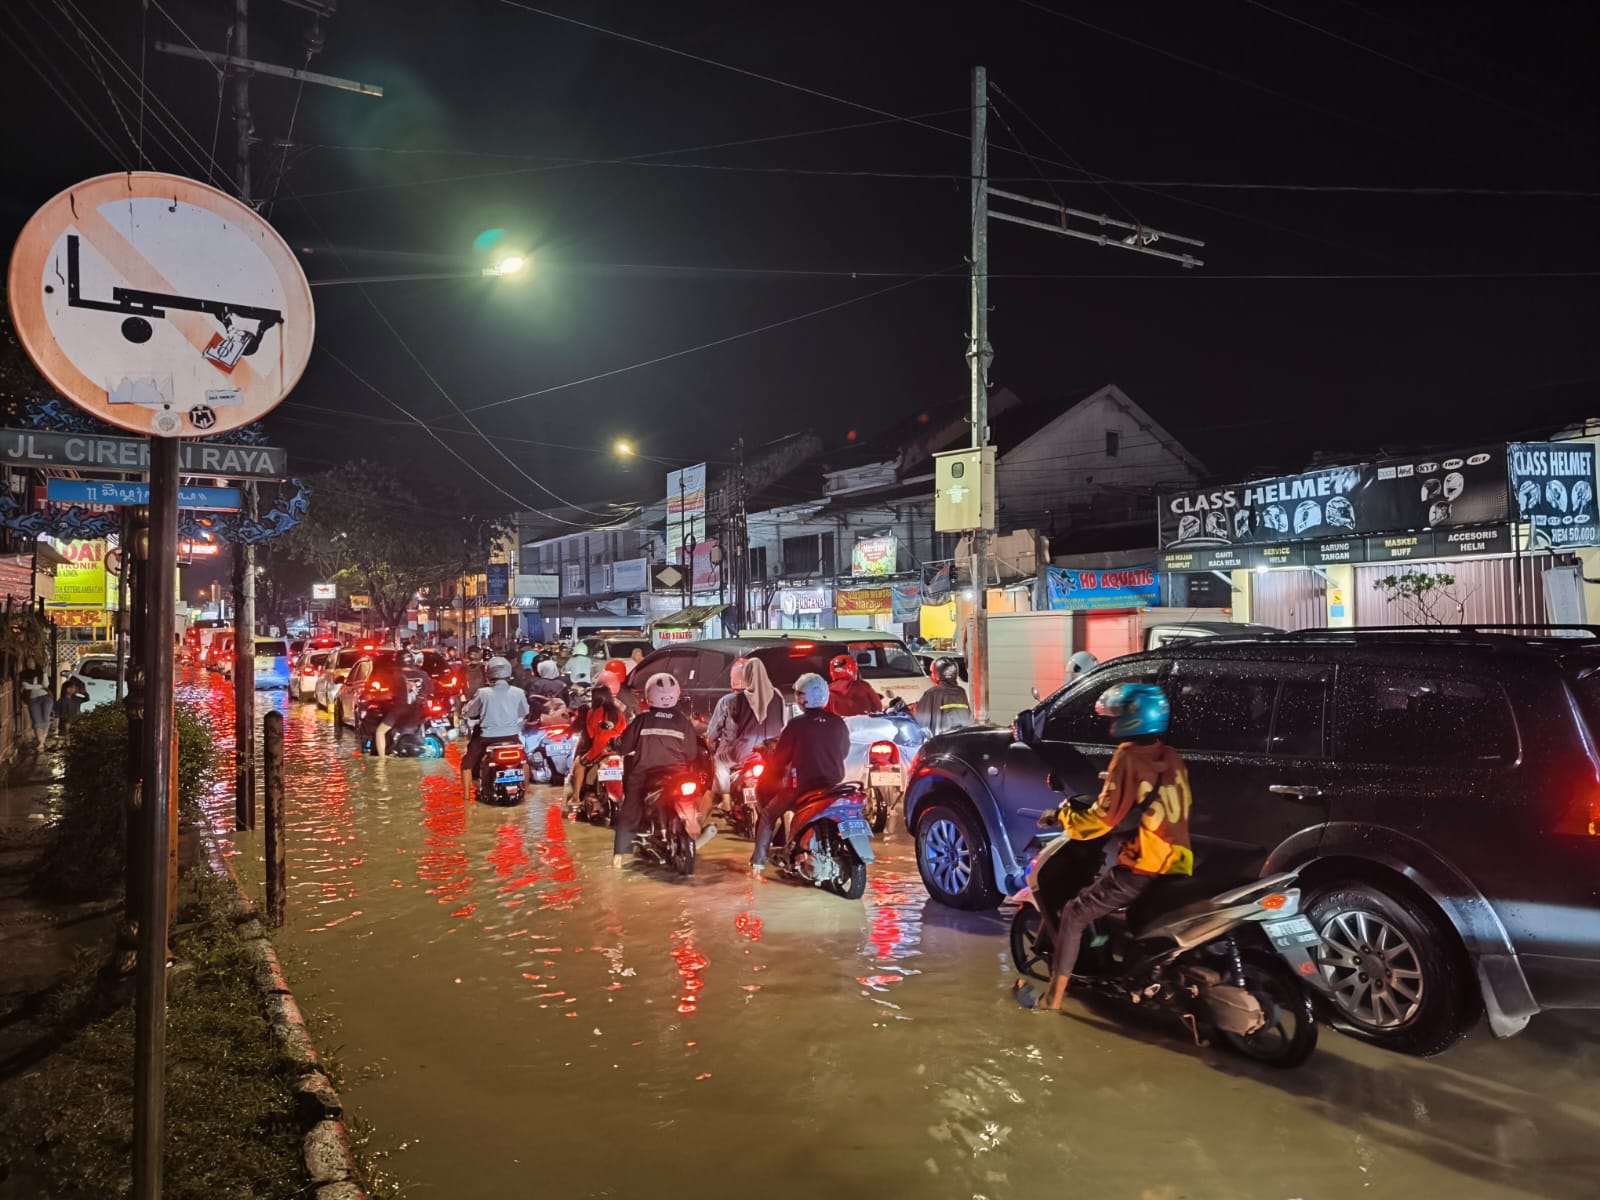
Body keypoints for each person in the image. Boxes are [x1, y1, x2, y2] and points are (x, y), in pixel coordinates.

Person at [1025, 682, 1193, 1013]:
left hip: (1144, 864)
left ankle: (1052, 1001)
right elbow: (1153, 798)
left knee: (1074, 913)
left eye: (1115, 716)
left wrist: (1061, 816)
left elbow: (1101, 820)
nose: (1110, 723)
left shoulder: (1127, 756)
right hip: (1178, 860)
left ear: (1134, 718)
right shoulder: (1171, 756)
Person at [750, 673, 850, 877]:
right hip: (833, 786)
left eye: (799, 694)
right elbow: (844, 751)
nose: (797, 697)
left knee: (769, 814)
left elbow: (780, 760)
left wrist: (772, 764)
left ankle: (758, 863)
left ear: (804, 699)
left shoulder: (796, 724)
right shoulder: (838, 722)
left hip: (801, 787)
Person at [611, 672, 708, 868]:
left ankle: (619, 855)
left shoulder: (642, 720)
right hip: (679, 775)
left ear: (649, 695)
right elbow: (690, 754)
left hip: (645, 773)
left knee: (630, 806)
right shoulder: (682, 721)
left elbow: (624, 747)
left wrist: (615, 743)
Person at [705, 657, 786, 821]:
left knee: (720, 760)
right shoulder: (777, 696)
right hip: (772, 750)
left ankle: (726, 800)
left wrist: (710, 740)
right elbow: (783, 723)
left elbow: (718, 731)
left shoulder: (735, 699)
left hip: (745, 750)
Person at [459, 656, 530, 801]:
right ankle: (527, 793)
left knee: (467, 763)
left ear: (489, 673)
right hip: (512, 737)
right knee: (524, 760)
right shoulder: (518, 692)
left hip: (486, 738)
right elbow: (524, 712)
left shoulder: (483, 693)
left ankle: (466, 798)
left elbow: (468, 712)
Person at [565, 681, 629, 813]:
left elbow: (591, 733)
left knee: (579, 763)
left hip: (599, 748)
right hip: (618, 749)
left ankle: (576, 797)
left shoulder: (592, 712)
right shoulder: (619, 712)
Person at [376, 650, 434, 757]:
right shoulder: (423, 674)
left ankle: (382, 761)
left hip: (400, 710)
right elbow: (430, 690)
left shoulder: (396, 676)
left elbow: (390, 693)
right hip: (418, 711)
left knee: (380, 732)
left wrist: (376, 696)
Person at [914, 656, 974, 735]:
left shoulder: (932, 693)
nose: (931, 675)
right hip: (961, 741)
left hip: (940, 743)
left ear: (938, 674)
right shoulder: (961, 692)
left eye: (932, 672)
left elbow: (922, 721)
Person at [21, 669, 53, 750]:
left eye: (32, 661)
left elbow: (46, 685)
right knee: (37, 721)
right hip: (33, 699)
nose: (30, 663)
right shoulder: (25, 674)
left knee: (45, 719)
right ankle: (42, 742)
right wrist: (40, 686)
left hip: (46, 697)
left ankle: (41, 743)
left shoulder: (41, 674)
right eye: (28, 662)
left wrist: (45, 674)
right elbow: (27, 686)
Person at [57, 672, 89, 739]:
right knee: (67, 732)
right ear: (65, 689)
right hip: (65, 721)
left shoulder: (77, 699)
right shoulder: (62, 700)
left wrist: (84, 692)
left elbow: (87, 699)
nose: (72, 689)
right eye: (70, 688)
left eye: (74, 688)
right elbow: (57, 711)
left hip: (75, 720)